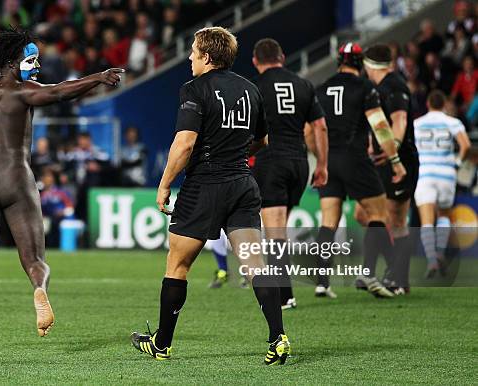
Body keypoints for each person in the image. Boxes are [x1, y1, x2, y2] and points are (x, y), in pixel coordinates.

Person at [0, 28, 123, 347]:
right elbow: (61, 91)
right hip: (15, 177)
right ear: (12, 62)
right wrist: (98, 77)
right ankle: (39, 289)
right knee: (34, 260)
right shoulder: (23, 92)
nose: (36, 67)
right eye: (31, 60)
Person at [131, 27, 290, 365]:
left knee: (178, 264)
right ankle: (278, 337)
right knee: (254, 265)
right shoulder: (250, 89)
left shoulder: (194, 89)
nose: (189, 57)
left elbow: (185, 142)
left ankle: (162, 343)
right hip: (243, 185)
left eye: (192, 51)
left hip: (204, 185)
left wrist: (164, 184)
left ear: (206, 55)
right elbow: (262, 141)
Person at [314, 42, 406, 299]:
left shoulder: (321, 88)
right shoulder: (366, 87)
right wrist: (395, 161)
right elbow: (381, 127)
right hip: (355, 158)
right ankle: (368, 272)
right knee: (378, 214)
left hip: (329, 160)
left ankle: (322, 282)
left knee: (329, 221)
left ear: (338, 62)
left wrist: (319, 158)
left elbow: (311, 130)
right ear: (359, 63)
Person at [251, 38, 329, 307]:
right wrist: (322, 164)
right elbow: (319, 127)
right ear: (282, 56)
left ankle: (284, 296)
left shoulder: (255, 88)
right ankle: (284, 291)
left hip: (271, 162)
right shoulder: (304, 84)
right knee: (279, 229)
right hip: (300, 164)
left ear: (255, 60)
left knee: (274, 232)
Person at [356, 44, 420, 294]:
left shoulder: (394, 86)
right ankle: (380, 270)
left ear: (369, 65)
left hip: (400, 160)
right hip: (381, 162)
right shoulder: (376, 88)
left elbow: (399, 120)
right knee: (366, 215)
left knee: (396, 220)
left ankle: (399, 279)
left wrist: (392, 151)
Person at [414, 90, 470, 278]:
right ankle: (439, 252)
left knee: (426, 220)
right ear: (444, 104)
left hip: (425, 173)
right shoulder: (452, 122)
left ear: (428, 104)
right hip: (446, 173)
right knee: (444, 214)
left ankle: (431, 260)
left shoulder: (417, 124)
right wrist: (457, 163)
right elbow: (466, 145)